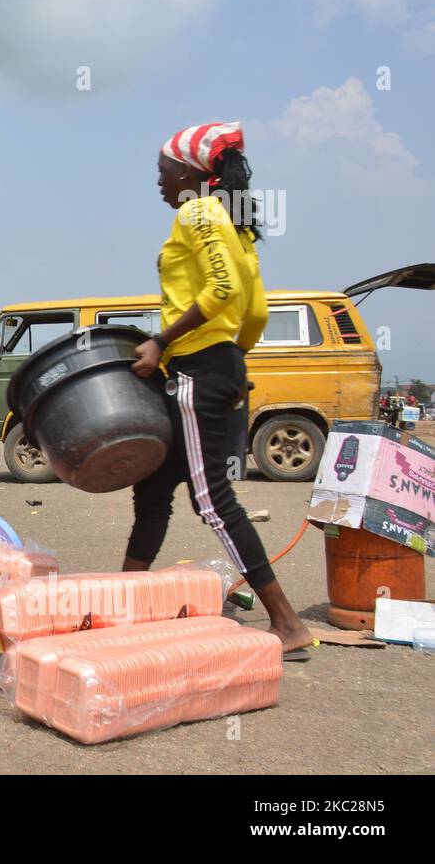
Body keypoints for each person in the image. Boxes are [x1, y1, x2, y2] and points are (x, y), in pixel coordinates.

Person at [126, 121, 312, 656]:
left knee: (212, 500)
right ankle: (124, 599)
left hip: (195, 368)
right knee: (155, 488)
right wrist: (234, 360)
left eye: (163, 172)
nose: (159, 183)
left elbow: (225, 290)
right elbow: (253, 310)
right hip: (220, 364)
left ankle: (287, 622)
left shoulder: (198, 212)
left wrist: (162, 340)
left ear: (190, 171)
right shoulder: (238, 225)